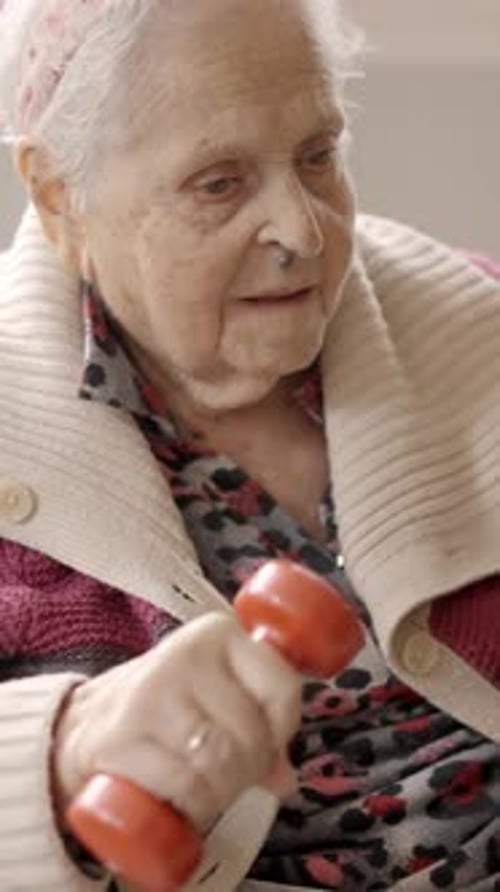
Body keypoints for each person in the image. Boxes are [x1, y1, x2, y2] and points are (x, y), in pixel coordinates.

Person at [0, 1, 499, 890]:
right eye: (219, 182)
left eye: (318, 156)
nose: (303, 232)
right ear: (59, 196)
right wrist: (61, 749)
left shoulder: (477, 323)